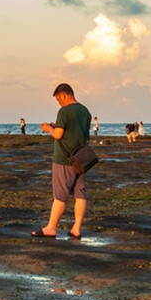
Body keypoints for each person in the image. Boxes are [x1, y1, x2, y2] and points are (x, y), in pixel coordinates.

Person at [33, 82, 92, 240]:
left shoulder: (64, 111)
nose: (59, 102)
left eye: (59, 99)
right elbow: (83, 135)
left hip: (63, 159)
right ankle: (76, 229)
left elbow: (58, 135)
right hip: (81, 159)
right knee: (80, 194)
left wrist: (49, 129)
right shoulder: (85, 111)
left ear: (64, 95)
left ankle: (51, 228)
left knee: (60, 195)